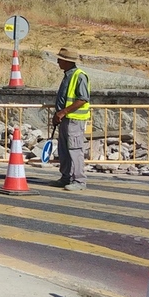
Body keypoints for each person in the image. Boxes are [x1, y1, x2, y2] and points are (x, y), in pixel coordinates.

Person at [51, 47, 90, 191]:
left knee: (75, 149)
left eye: (60, 59)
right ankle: (66, 177)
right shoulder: (68, 74)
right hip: (66, 119)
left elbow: (83, 99)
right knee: (64, 150)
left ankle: (79, 180)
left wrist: (63, 112)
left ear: (67, 61)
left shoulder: (79, 76)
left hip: (74, 120)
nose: (58, 61)